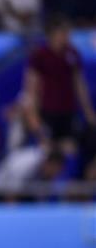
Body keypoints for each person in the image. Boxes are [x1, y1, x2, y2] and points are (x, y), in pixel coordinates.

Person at [25, 18, 96, 155]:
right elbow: (32, 86)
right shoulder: (40, 55)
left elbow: (79, 85)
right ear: (52, 34)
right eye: (63, 33)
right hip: (47, 110)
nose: (67, 36)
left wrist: (88, 113)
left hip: (68, 110)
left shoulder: (72, 54)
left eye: (68, 33)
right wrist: (33, 114)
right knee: (47, 148)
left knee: (71, 147)